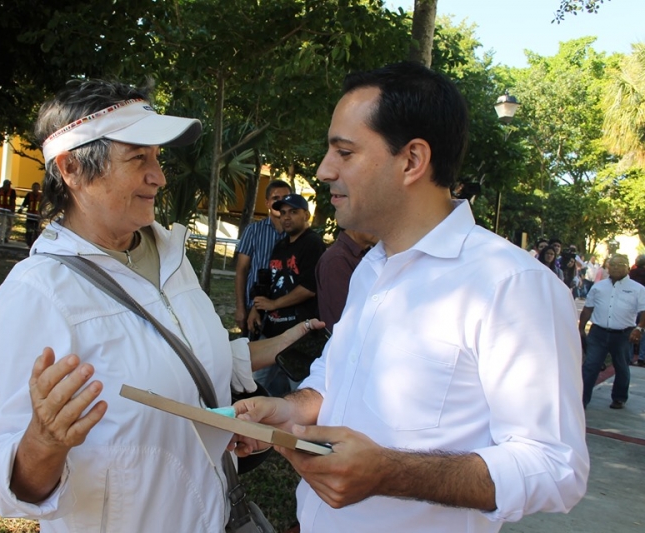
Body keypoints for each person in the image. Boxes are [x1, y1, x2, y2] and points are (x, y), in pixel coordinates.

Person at [232, 62, 588, 533]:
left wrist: (388, 473)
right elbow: (337, 380)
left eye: (344, 151)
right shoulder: (371, 269)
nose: (324, 170)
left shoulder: (511, 285)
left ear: (413, 161)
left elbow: (555, 468)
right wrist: (288, 410)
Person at [0, 78, 319, 533]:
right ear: (72, 168)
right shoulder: (39, 290)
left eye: (157, 159)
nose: (159, 176)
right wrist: (44, 442)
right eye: (138, 159)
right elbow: (8, 483)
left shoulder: (172, 257)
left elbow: (185, 355)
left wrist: (273, 347)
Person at [248, 193, 326, 396]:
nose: (286, 217)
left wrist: (274, 305)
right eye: (282, 213)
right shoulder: (281, 245)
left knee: (299, 390)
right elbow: (271, 282)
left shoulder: (313, 244)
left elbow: (309, 288)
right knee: (255, 386)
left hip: (298, 334)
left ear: (306, 215)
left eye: (293, 212)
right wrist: (256, 310)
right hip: (271, 331)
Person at [579, 254, 645, 408]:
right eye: (612, 264)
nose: (615, 267)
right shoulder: (598, 286)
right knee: (590, 366)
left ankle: (619, 397)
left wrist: (639, 328)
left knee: (621, 366)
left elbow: (644, 311)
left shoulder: (638, 289)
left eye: (620, 264)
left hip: (623, 335)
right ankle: (582, 400)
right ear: (607, 267)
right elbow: (588, 308)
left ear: (628, 267)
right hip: (598, 333)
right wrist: (581, 328)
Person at [234, 179, 292, 339]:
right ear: (267, 203)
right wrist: (240, 308)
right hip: (253, 307)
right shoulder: (253, 231)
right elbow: (241, 270)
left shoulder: (296, 234)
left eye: (286, 198)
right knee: (250, 356)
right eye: (276, 199)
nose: (281, 203)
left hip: (285, 309)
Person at [315, 228, 377, 330]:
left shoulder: (369, 252)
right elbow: (346, 316)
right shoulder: (336, 259)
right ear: (355, 221)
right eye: (376, 219)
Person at [18, 182, 43, 248]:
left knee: (37, 230)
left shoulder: (41, 196)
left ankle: (36, 244)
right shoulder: (29, 195)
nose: (35, 189)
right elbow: (24, 203)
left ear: (39, 188)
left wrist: (43, 214)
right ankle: (29, 243)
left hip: (37, 216)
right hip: (30, 215)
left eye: (36, 187)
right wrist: (21, 209)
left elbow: (44, 206)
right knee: (29, 229)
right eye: (34, 187)